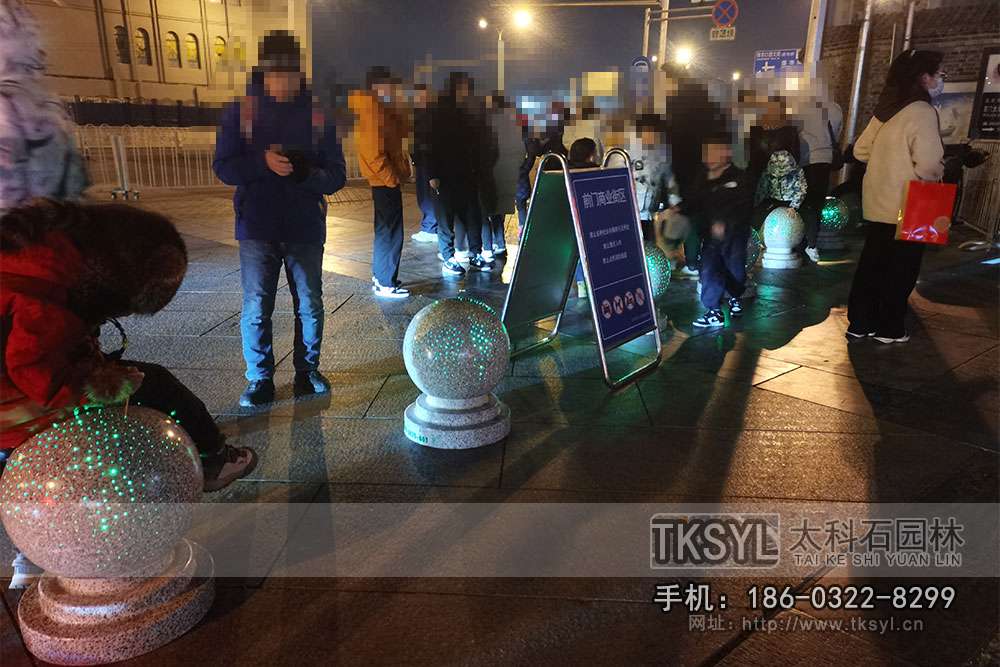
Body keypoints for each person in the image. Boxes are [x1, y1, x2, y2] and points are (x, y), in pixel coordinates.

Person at [0, 200, 258, 584]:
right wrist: (110, 386)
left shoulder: (42, 256)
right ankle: (213, 460)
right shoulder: (44, 300)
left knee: (20, 465)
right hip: (15, 409)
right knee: (156, 384)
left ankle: (31, 552)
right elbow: (43, 383)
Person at [214, 31, 347, 406]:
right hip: (257, 226)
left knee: (310, 304)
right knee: (257, 305)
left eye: (290, 73)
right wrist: (263, 163)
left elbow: (337, 176)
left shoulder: (318, 115)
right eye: (276, 73)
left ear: (299, 72)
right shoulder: (241, 112)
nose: (284, 81)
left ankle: (308, 370)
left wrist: (306, 173)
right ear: (263, 72)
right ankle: (259, 378)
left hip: (305, 226)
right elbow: (223, 167)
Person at [847, 50, 945, 345]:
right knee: (902, 268)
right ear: (924, 77)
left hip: (878, 202)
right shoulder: (922, 111)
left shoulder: (886, 109)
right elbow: (929, 164)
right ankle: (889, 328)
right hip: (910, 205)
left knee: (872, 263)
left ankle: (860, 323)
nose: (940, 79)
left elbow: (860, 151)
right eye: (939, 74)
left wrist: (887, 162)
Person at [0, 0, 88, 215]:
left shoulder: (7, 102)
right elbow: (74, 182)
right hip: (57, 221)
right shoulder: (47, 100)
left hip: (22, 226)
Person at [349, 66, 411, 298]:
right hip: (384, 182)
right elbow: (373, 153)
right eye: (389, 85)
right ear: (376, 86)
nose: (393, 89)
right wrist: (391, 179)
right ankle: (386, 282)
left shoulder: (380, 109)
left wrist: (398, 109)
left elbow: (402, 132)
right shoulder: (372, 111)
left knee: (386, 230)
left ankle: (381, 276)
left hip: (384, 181)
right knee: (391, 233)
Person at [429, 72, 494, 276]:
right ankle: (448, 257)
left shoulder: (471, 112)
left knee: (473, 216)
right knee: (446, 218)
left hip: (468, 173)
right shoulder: (439, 113)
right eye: (463, 88)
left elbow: (478, 142)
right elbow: (430, 145)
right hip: (445, 175)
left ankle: (475, 253)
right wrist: (432, 173)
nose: (466, 92)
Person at [683, 137, 753, 328]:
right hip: (711, 235)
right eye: (707, 153)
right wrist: (678, 209)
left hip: (735, 234)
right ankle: (714, 311)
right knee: (709, 268)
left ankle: (735, 297)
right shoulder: (703, 177)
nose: (709, 157)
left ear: (726, 153)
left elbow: (744, 206)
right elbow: (694, 201)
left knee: (735, 269)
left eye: (714, 152)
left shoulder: (739, 177)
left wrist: (725, 222)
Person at [795, 78, 844, 262]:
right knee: (816, 202)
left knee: (803, 201)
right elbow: (837, 133)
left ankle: (801, 242)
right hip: (825, 159)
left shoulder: (800, 108)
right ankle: (812, 243)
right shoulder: (835, 108)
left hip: (806, 159)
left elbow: (794, 132)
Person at [480, 93, 522, 260]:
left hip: (489, 173)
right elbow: (521, 150)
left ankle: (487, 247)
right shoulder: (512, 125)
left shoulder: (487, 124)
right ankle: (500, 243)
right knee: (499, 209)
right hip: (507, 172)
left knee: (484, 210)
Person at [516, 102, 567, 230]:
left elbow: (535, 150)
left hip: (550, 163)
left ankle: (525, 228)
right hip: (557, 161)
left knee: (525, 199)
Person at [630, 114, 678, 243]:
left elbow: (670, 180)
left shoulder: (663, 155)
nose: (651, 136)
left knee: (648, 246)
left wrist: (674, 203)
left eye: (655, 133)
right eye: (647, 132)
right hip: (629, 212)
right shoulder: (628, 151)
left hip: (649, 214)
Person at [568, 138, 600, 298]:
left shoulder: (565, 170)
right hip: (591, 219)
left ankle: (581, 284)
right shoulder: (597, 172)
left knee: (578, 251)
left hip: (570, 220)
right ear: (590, 155)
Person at [409, 84, 438, 244]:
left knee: (428, 197)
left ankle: (430, 228)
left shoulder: (428, 116)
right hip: (423, 161)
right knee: (425, 196)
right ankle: (431, 226)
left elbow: (427, 142)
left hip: (427, 161)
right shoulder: (420, 114)